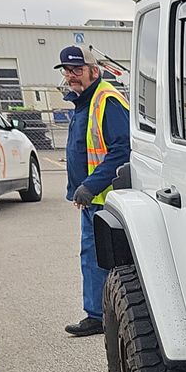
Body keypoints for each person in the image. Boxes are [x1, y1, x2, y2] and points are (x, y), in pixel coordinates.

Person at [56, 45, 129, 337]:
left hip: (107, 198)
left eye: (77, 70)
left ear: (93, 71)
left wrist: (91, 186)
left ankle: (101, 314)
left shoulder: (106, 100)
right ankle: (97, 313)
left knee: (101, 258)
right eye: (67, 70)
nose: (71, 76)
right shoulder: (84, 102)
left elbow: (122, 149)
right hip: (91, 199)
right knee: (91, 256)